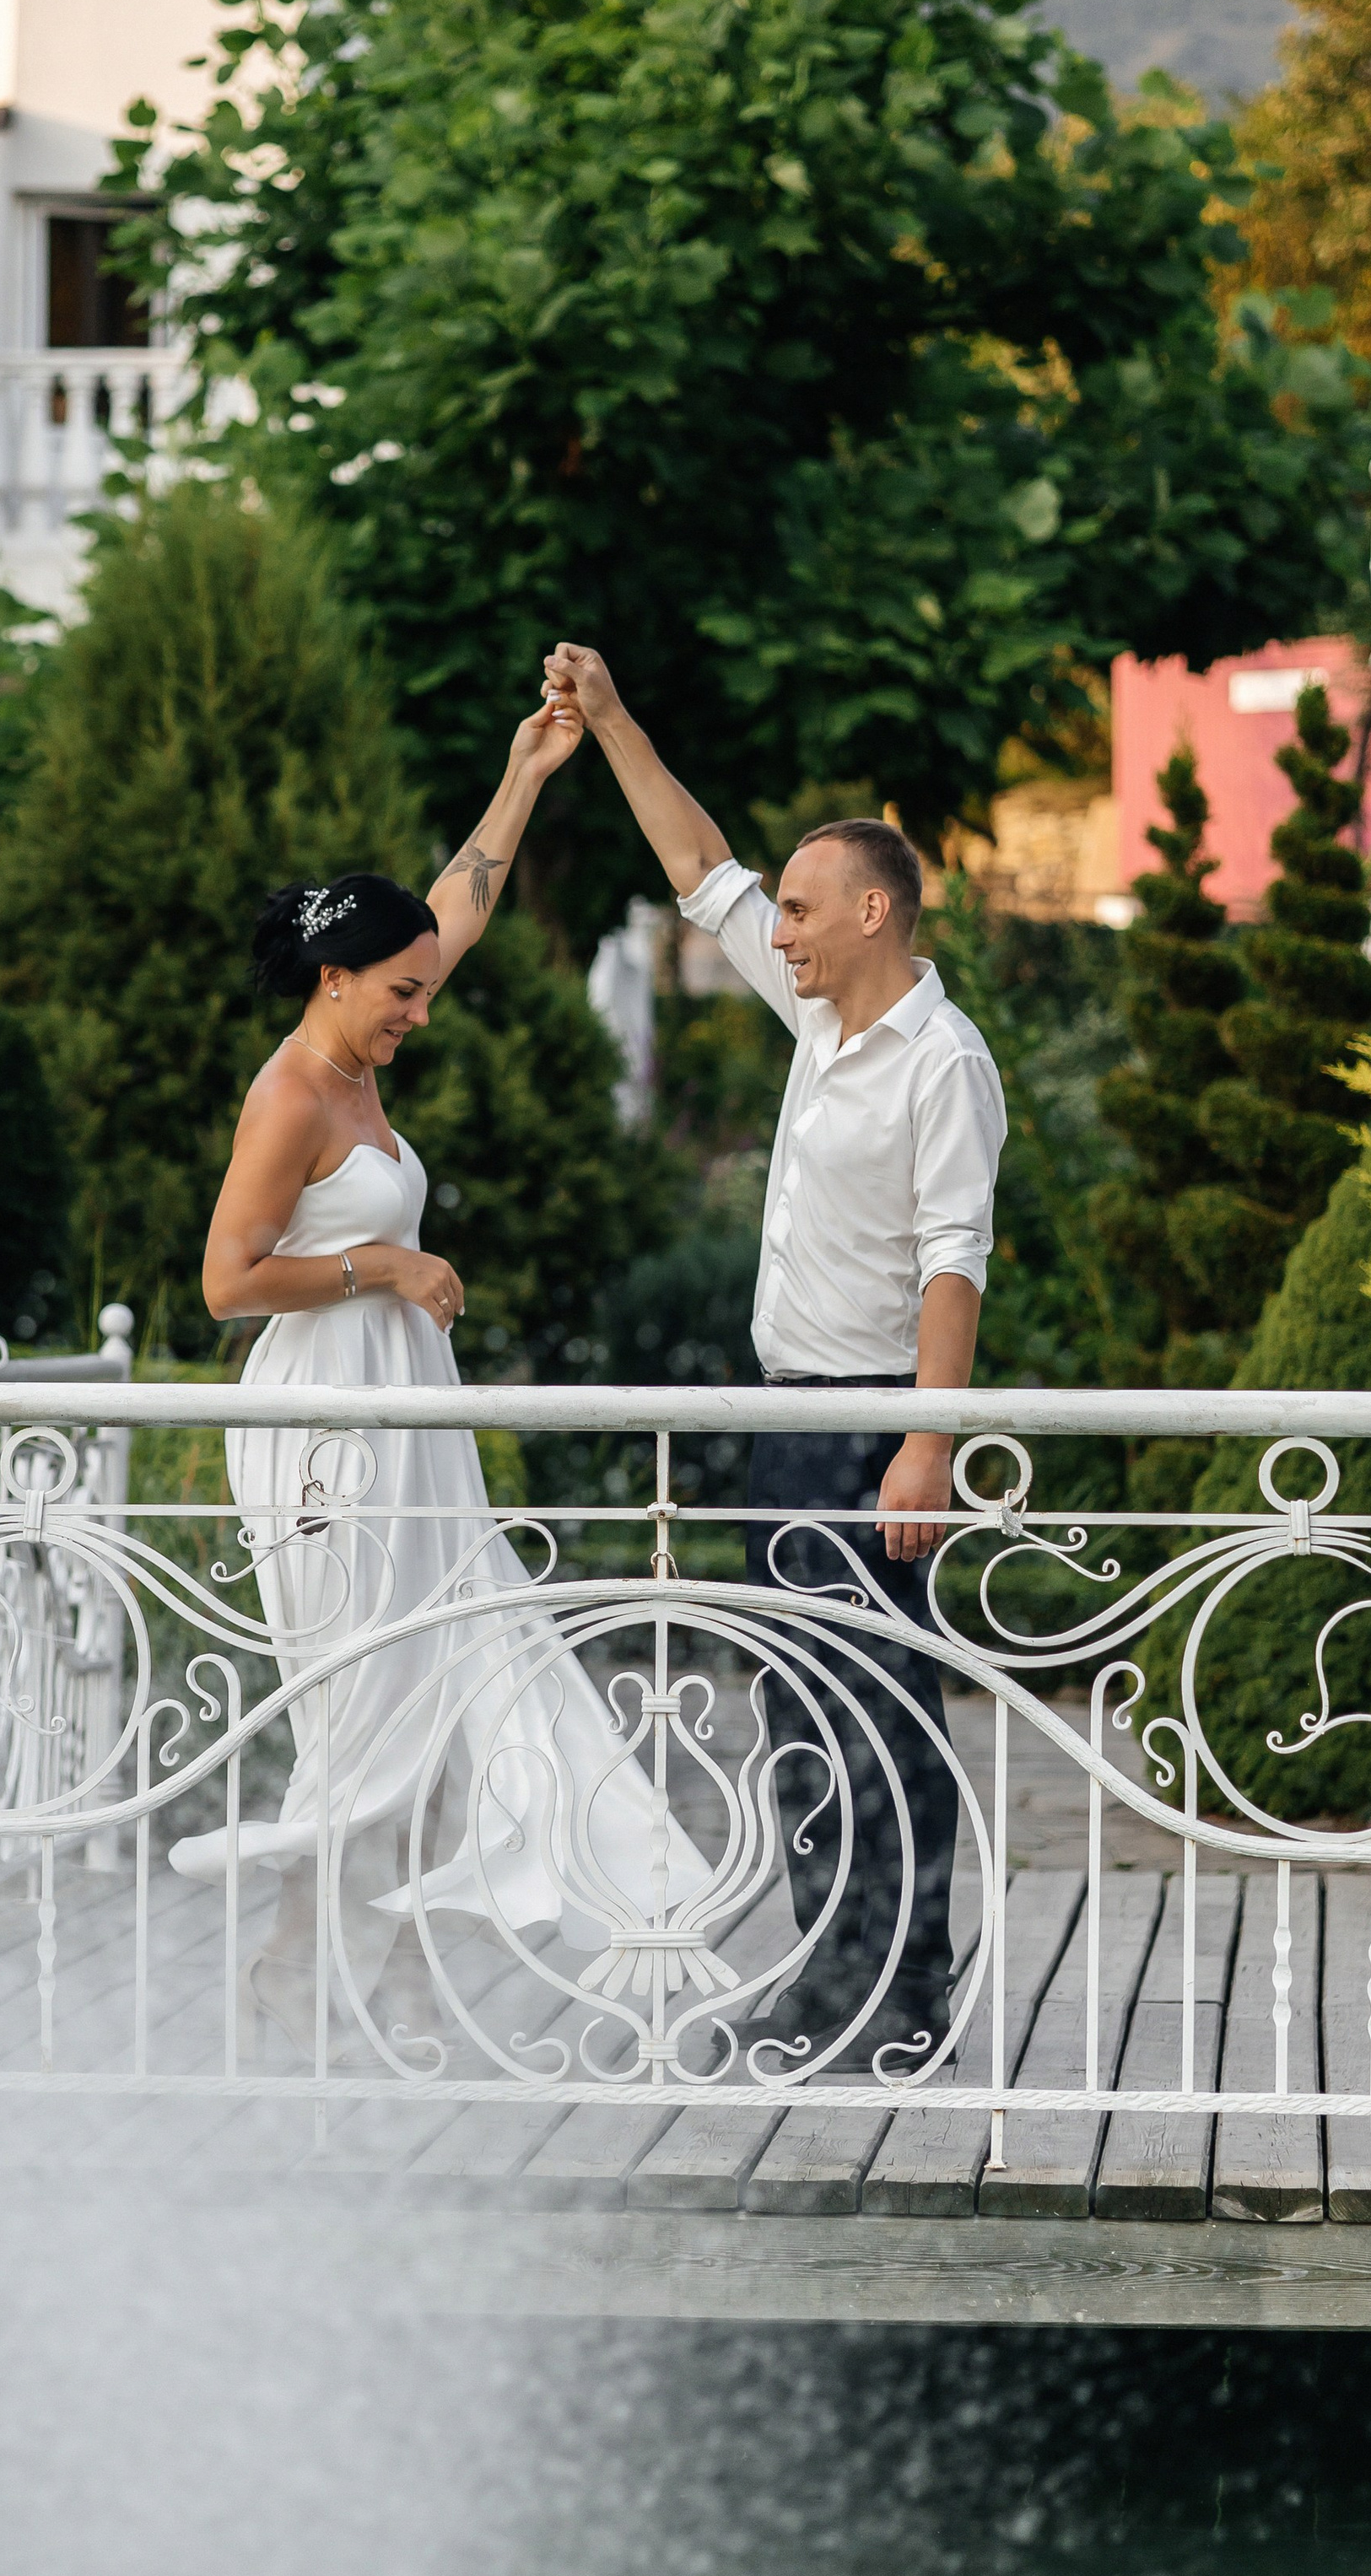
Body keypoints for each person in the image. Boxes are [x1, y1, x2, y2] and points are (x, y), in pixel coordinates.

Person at [173, 693, 719, 2056]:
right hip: (324, 1433)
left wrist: (526, 771)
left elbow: (451, 915)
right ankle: (303, 1975)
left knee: (448, 1691)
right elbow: (228, 1282)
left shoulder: (362, 1046)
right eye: (403, 992)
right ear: (333, 977)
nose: (423, 1011)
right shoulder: (291, 1093)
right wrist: (382, 1267)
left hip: (406, 1425)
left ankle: (378, 1975)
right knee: (369, 1711)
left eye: (424, 989)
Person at [543, 639, 1007, 2072]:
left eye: (804, 909)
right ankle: (828, 1977)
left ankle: (900, 1995)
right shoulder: (815, 1011)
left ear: (876, 910)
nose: (780, 928)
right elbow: (700, 866)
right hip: (787, 1412)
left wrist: (927, 1442)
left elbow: (956, 1261)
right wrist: (613, 718)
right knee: (799, 1704)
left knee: (883, 1711)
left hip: (876, 1421)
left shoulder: (945, 1060)